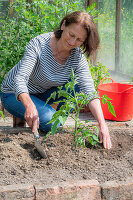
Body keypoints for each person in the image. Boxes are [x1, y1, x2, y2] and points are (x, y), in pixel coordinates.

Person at [1, 11, 112, 149]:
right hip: (12, 92)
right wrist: (29, 104)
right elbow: (20, 78)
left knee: (77, 87)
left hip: (42, 92)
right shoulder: (39, 44)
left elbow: (90, 92)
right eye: (71, 35)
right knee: (52, 122)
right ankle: (38, 115)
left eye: (79, 40)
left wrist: (103, 126)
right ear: (63, 25)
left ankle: (42, 115)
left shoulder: (77, 58)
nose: (72, 42)